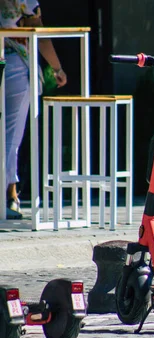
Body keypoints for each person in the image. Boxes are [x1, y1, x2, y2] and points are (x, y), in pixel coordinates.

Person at [0, 0, 67, 219]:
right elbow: (38, 32)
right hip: (14, 63)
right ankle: (8, 196)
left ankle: (9, 194)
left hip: (11, 64)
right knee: (11, 134)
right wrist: (56, 68)